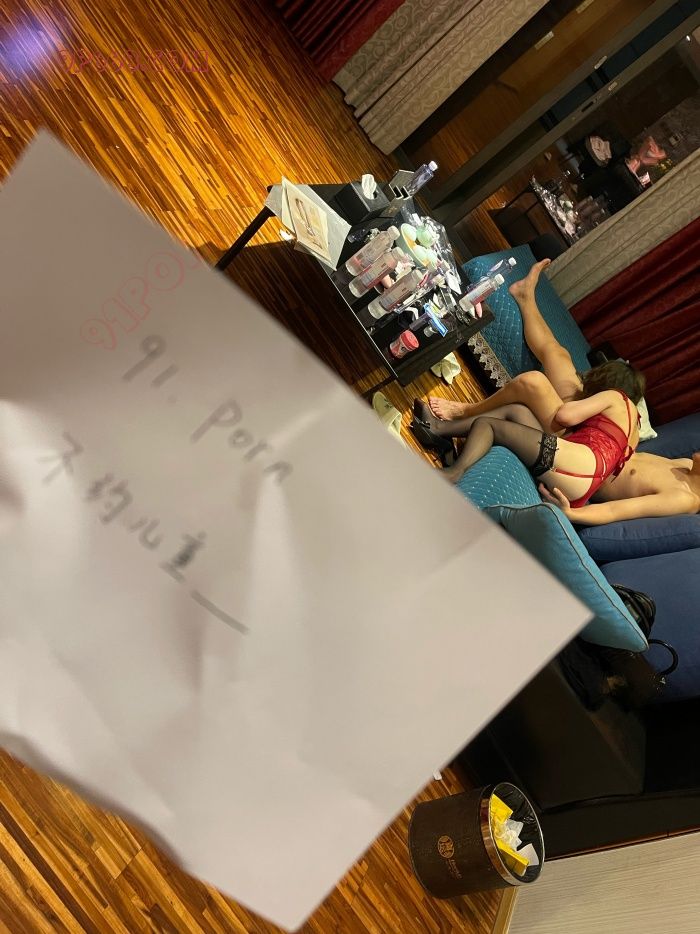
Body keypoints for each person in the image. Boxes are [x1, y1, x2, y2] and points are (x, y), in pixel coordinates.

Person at [411, 395, 700, 524]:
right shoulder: (685, 466)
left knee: (490, 426)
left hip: (578, 479)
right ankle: (438, 430)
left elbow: (617, 511)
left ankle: (454, 473)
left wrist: (572, 514)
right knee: (516, 411)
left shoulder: (684, 499)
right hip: (578, 457)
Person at [428, 258, 636, 434]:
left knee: (533, 382)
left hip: (576, 435)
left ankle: (465, 411)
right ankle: (525, 296)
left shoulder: (625, 416)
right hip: (583, 407)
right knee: (558, 353)